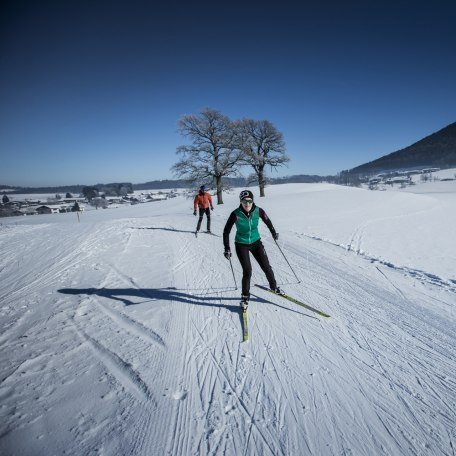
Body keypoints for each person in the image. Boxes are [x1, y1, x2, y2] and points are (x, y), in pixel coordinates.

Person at [223, 190, 283, 309]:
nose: (247, 204)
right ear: (241, 201)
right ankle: (245, 297)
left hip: (256, 242)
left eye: (250, 201)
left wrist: (273, 232)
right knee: (247, 271)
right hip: (241, 244)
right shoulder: (235, 214)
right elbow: (226, 231)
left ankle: (274, 287)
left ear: (252, 201)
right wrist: (227, 248)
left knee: (266, 266)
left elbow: (267, 221)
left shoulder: (258, 211)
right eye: (245, 201)